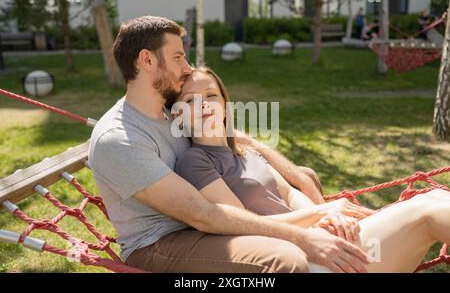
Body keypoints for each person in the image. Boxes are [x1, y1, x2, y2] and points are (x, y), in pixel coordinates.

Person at [88, 15, 371, 273]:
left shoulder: (168, 109)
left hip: (199, 227)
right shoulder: (120, 138)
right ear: (147, 60)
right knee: (284, 260)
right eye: (178, 57)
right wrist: (304, 234)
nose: (186, 68)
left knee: (305, 179)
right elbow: (204, 215)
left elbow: (235, 137)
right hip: (160, 244)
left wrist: (298, 175)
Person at [171, 66, 450, 273]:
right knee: (423, 210)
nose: (204, 103)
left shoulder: (245, 151)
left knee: (432, 198)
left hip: (322, 239)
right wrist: (322, 212)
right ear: (178, 115)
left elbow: (292, 196)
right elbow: (241, 226)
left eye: (211, 95)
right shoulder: (196, 160)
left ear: (225, 103)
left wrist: (325, 220)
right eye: (191, 100)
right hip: (303, 260)